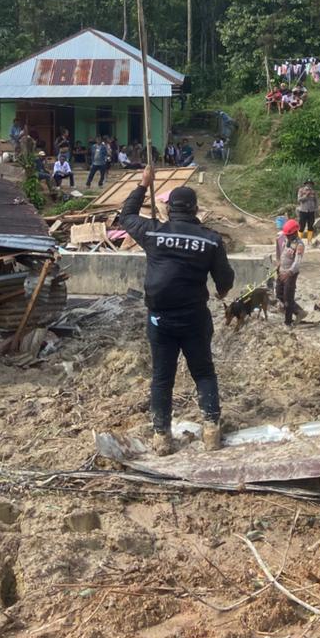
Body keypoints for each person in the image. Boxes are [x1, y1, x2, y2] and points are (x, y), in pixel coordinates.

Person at [119, 168, 235, 456]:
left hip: (160, 320)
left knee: (162, 378)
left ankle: (161, 437)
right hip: (194, 317)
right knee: (204, 372)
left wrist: (143, 185)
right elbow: (225, 279)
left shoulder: (153, 232)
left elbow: (127, 216)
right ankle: (211, 431)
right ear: (195, 209)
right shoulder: (210, 240)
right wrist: (222, 291)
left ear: (169, 209)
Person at [275, 219, 304, 328]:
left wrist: (289, 273)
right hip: (281, 271)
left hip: (290, 274)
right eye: (286, 235)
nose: (287, 237)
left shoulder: (299, 245)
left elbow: (297, 262)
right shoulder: (285, 239)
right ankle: (299, 312)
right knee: (279, 294)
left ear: (295, 233)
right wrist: (278, 265)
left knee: (288, 298)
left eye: (289, 235)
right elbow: (281, 254)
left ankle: (288, 322)